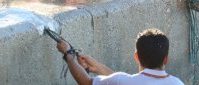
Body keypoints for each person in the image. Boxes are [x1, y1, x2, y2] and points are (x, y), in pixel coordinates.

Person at [56, 28, 184, 85]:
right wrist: (98, 67)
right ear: (166, 59)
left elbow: (86, 82)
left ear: (136, 57)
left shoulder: (122, 81)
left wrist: (68, 54)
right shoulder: (178, 83)